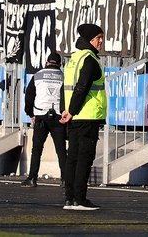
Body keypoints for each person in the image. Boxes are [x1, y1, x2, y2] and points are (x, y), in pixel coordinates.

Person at [60, 24, 107, 211]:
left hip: (74, 116)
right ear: (89, 40)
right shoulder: (90, 60)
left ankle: (70, 198)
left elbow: (65, 87)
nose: (101, 41)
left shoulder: (74, 58)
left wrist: (66, 110)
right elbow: (82, 86)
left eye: (101, 37)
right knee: (84, 157)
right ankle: (80, 198)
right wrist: (72, 110)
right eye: (98, 38)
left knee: (72, 156)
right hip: (87, 115)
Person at [22, 52, 67, 187]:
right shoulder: (63, 76)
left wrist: (31, 113)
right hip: (58, 116)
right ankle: (65, 179)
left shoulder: (38, 75)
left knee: (37, 149)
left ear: (47, 63)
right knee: (61, 149)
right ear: (60, 65)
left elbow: (29, 96)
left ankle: (32, 178)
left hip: (41, 116)